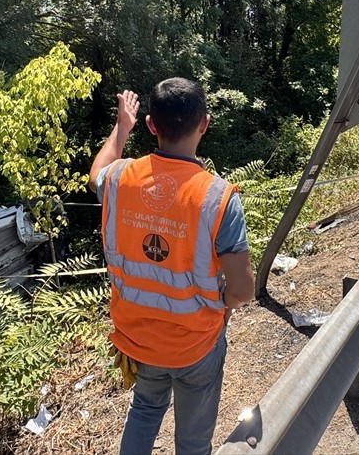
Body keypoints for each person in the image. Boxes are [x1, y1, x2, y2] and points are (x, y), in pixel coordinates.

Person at [88, 78, 254, 455]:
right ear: (204, 124)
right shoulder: (217, 197)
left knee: (145, 409)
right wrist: (220, 303)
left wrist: (121, 126)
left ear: (151, 125)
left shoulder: (119, 180)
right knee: (193, 442)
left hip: (139, 338)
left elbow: (97, 170)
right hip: (195, 342)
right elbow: (243, 291)